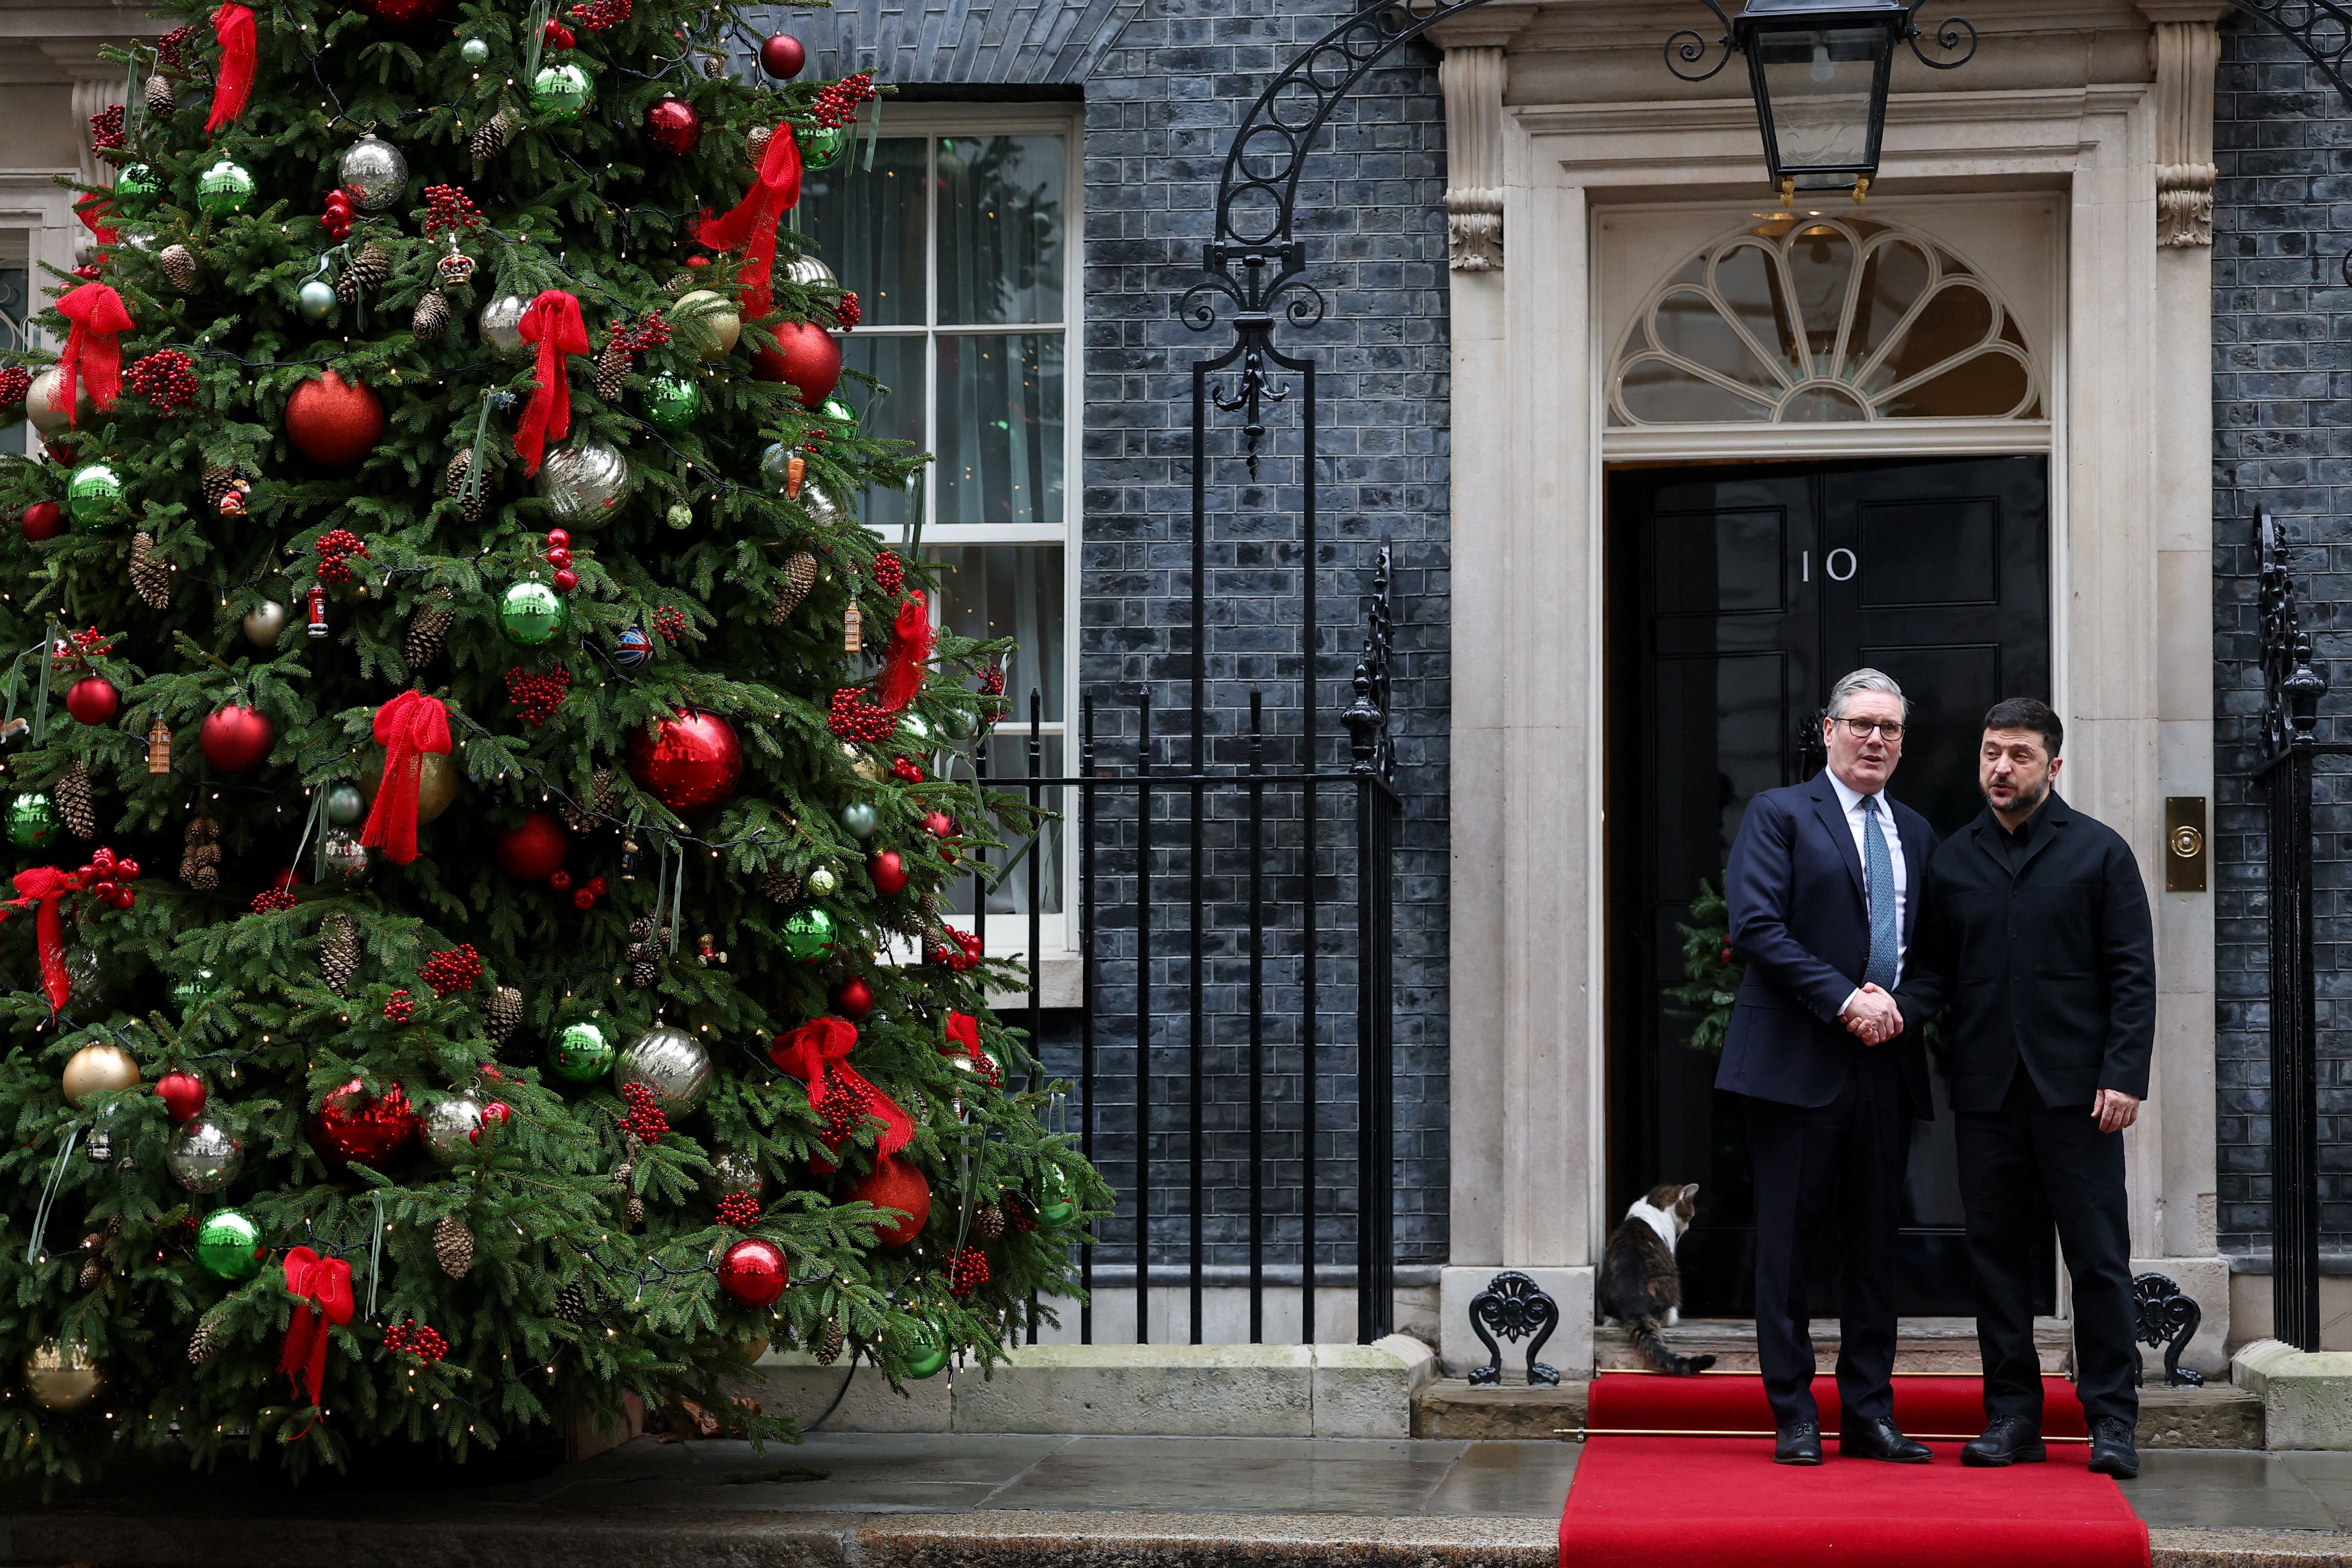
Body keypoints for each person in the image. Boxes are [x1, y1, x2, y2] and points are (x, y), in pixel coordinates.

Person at [1893, 697, 2153, 1479]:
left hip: (2082, 1100)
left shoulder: (2101, 854)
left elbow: (2133, 977)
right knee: (1998, 1262)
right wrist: (1891, 1014)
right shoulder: (1954, 858)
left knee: (2100, 1262)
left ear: (2054, 766)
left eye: (2018, 755)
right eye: (1990, 753)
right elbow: (1934, 969)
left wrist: (2124, 1075)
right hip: (1986, 1096)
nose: (2000, 768)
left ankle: (2112, 1420)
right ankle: (2012, 1417)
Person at [1719, 669, 1938, 1467]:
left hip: (1885, 1061)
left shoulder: (1915, 831)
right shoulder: (1780, 815)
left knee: (1874, 1245)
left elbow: (1934, 950)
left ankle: (1869, 1412)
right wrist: (1847, 998)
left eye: (1890, 729)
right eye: (1861, 725)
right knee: (1788, 1246)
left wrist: (1901, 1006)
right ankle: (1794, 1413)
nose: (1875, 740)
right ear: (1828, 731)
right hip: (1794, 1061)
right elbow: (1757, 929)